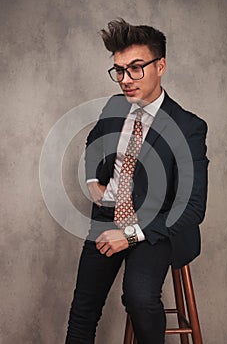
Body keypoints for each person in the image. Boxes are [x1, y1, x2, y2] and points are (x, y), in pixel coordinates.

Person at [65, 19, 209, 344]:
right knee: (83, 310)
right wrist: (92, 182)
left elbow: (193, 207)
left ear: (161, 66)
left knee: (138, 297)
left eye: (135, 68)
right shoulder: (116, 107)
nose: (125, 80)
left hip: (155, 229)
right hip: (107, 218)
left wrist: (129, 235)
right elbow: (95, 142)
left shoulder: (188, 127)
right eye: (118, 70)